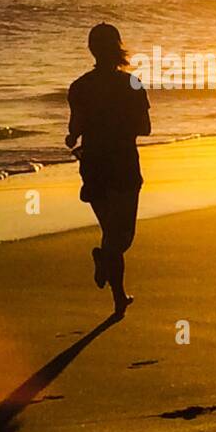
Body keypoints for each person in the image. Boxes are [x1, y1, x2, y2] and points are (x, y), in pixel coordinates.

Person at [67, 23, 150, 316]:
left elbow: (73, 129)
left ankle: (118, 297)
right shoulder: (133, 84)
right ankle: (105, 263)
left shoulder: (79, 87)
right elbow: (146, 128)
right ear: (118, 47)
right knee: (122, 236)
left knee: (111, 232)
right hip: (123, 164)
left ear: (91, 49)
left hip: (93, 165)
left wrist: (74, 138)